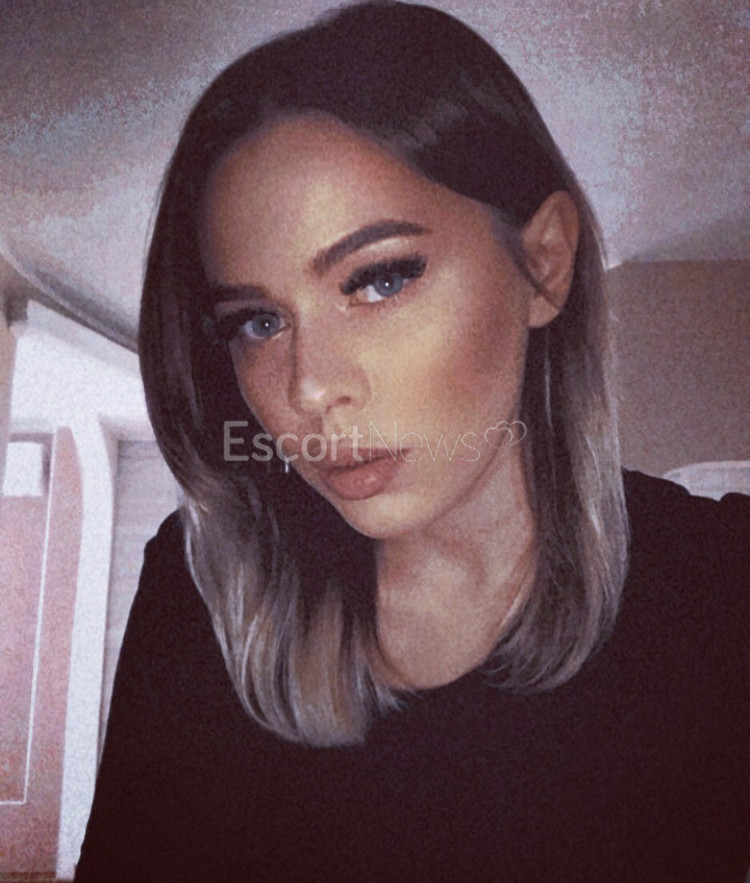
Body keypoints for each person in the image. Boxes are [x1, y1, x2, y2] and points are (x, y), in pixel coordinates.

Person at [74, 2, 749, 880]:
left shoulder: (720, 589)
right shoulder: (202, 588)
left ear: (543, 265)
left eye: (378, 279)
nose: (310, 387)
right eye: (257, 322)